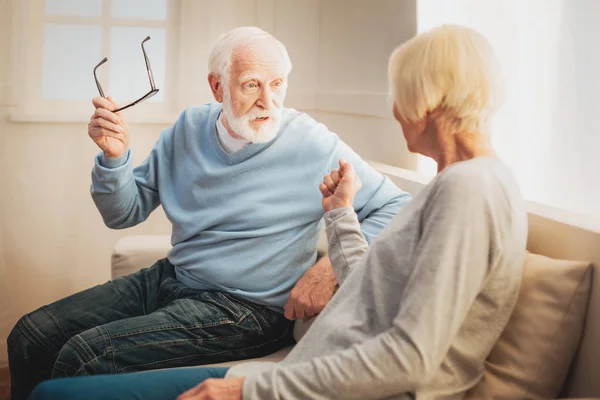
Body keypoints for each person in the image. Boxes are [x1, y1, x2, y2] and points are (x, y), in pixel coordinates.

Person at [27, 23, 528, 400]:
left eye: (279, 83)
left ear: (426, 101)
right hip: (175, 279)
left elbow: (410, 350)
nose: (270, 101)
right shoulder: (187, 129)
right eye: (251, 85)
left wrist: (325, 267)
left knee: (81, 358)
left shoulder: (461, 188)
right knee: (31, 336)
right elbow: (124, 211)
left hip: (244, 309)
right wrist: (115, 160)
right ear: (217, 88)